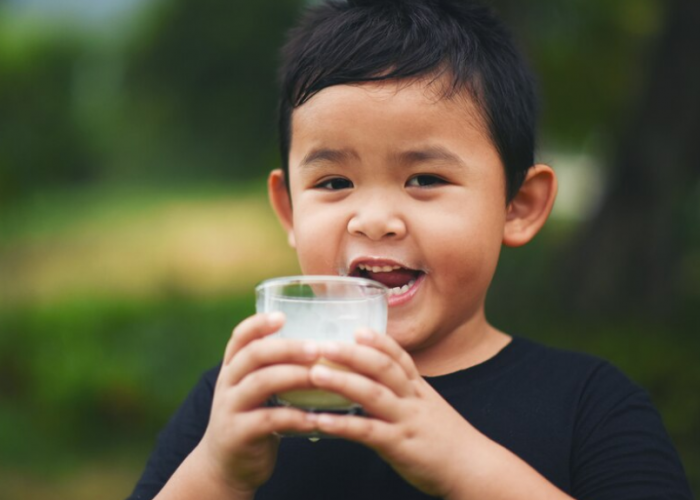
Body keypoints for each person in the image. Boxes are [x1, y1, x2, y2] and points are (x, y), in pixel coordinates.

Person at [128, 0, 693, 499]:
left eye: (424, 179)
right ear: (289, 211)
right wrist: (219, 474)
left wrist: (464, 465)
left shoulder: (591, 408)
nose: (373, 220)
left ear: (517, 205)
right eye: (333, 183)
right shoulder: (238, 403)